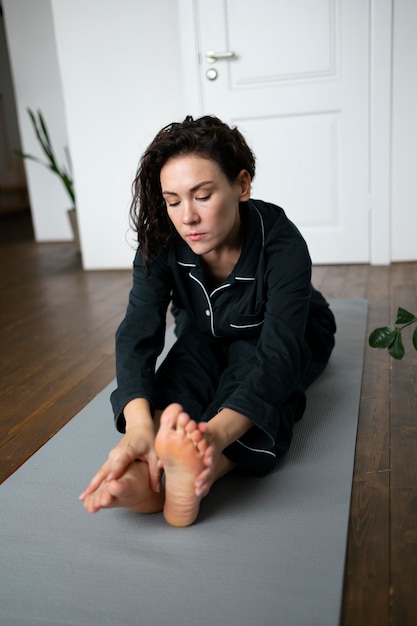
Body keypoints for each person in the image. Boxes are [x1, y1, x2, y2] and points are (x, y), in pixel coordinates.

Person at [80, 115, 336, 527]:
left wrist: (212, 437)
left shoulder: (283, 242)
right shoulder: (162, 240)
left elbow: (279, 356)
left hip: (286, 331)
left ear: (241, 185)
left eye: (202, 196)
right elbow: (138, 331)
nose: (187, 218)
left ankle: (204, 468)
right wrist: (139, 427)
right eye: (173, 200)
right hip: (205, 329)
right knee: (179, 378)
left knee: (258, 380)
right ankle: (148, 471)